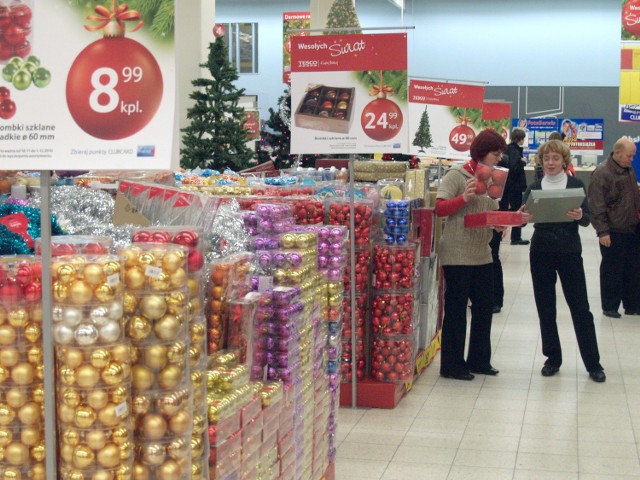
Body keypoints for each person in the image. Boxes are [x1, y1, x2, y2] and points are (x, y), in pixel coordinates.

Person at [523, 139, 605, 383]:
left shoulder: (576, 184)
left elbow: (587, 219)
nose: (550, 163)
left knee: (580, 307)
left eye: (555, 158)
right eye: (546, 158)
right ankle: (552, 358)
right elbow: (524, 217)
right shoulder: (534, 187)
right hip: (541, 250)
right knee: (545, 307)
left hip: (569, 249)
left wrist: (580, 215)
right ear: (541, 161)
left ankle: (593, 363)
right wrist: (523, 217)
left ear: (564, 161)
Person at [435, 129, 511, 380]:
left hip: (483, 253)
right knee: (456, 311)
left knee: (484, 309)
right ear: (482, 152)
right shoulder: (456, 175)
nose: (499, 158)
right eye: (495, 153)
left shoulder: (493, 179)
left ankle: (479, 360)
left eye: (500, 154)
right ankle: (452, 365)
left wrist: (499, 223)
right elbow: (439, 209)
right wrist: (463, 198)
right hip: (457, 253)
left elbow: (488, 212)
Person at [588, 137, 640, 318]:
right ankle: (610, 306)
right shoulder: (602, 173)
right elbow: (596, 205)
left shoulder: (629, 170)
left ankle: (632, 304)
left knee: (633, 268)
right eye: (629, 156)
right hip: (613, 230)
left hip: (632, 229)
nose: (631, 159)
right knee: (612, 269)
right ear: (617, 152)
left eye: (633, 156)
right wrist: (602, 231)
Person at [503, 128, 529, 245]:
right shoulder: (515, 151)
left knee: (512, 210)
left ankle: (514, 236)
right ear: (521, 139)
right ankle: (516, 238)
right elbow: (514, 168)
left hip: (510, 186)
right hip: (515, 186)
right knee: (518, 211)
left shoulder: (509, 149)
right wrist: (523, 161)